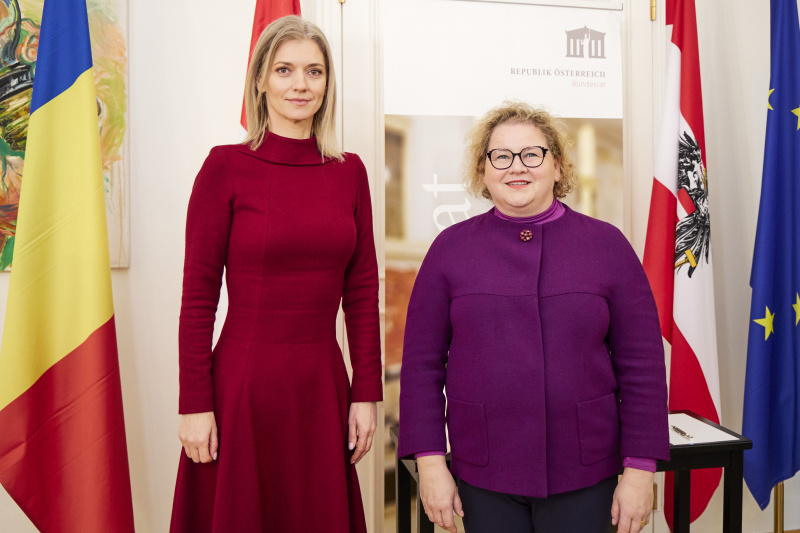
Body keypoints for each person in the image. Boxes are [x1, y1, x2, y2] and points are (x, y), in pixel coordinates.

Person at [398, 102, 669, 533]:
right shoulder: (449, 250)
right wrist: (430, 463)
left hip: (585, 469)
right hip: (483, 470)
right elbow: (421, 367)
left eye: (532, 154)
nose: (516, 167)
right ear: (483, 172)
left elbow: (643, 367)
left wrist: (639, 470)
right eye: (501, 156)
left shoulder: (608, 246)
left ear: (558, 166)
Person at [170, 15, 382, 533]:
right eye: (285, 70)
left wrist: (366, 392)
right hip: (242, 388)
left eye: (314, 72)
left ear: (327, 83)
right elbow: (198, 296)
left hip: (320, 386)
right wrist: (194, 404)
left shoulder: (349, 171)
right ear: (260, 79)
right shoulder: (225, 167)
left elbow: (361, 292)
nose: (300, 84)